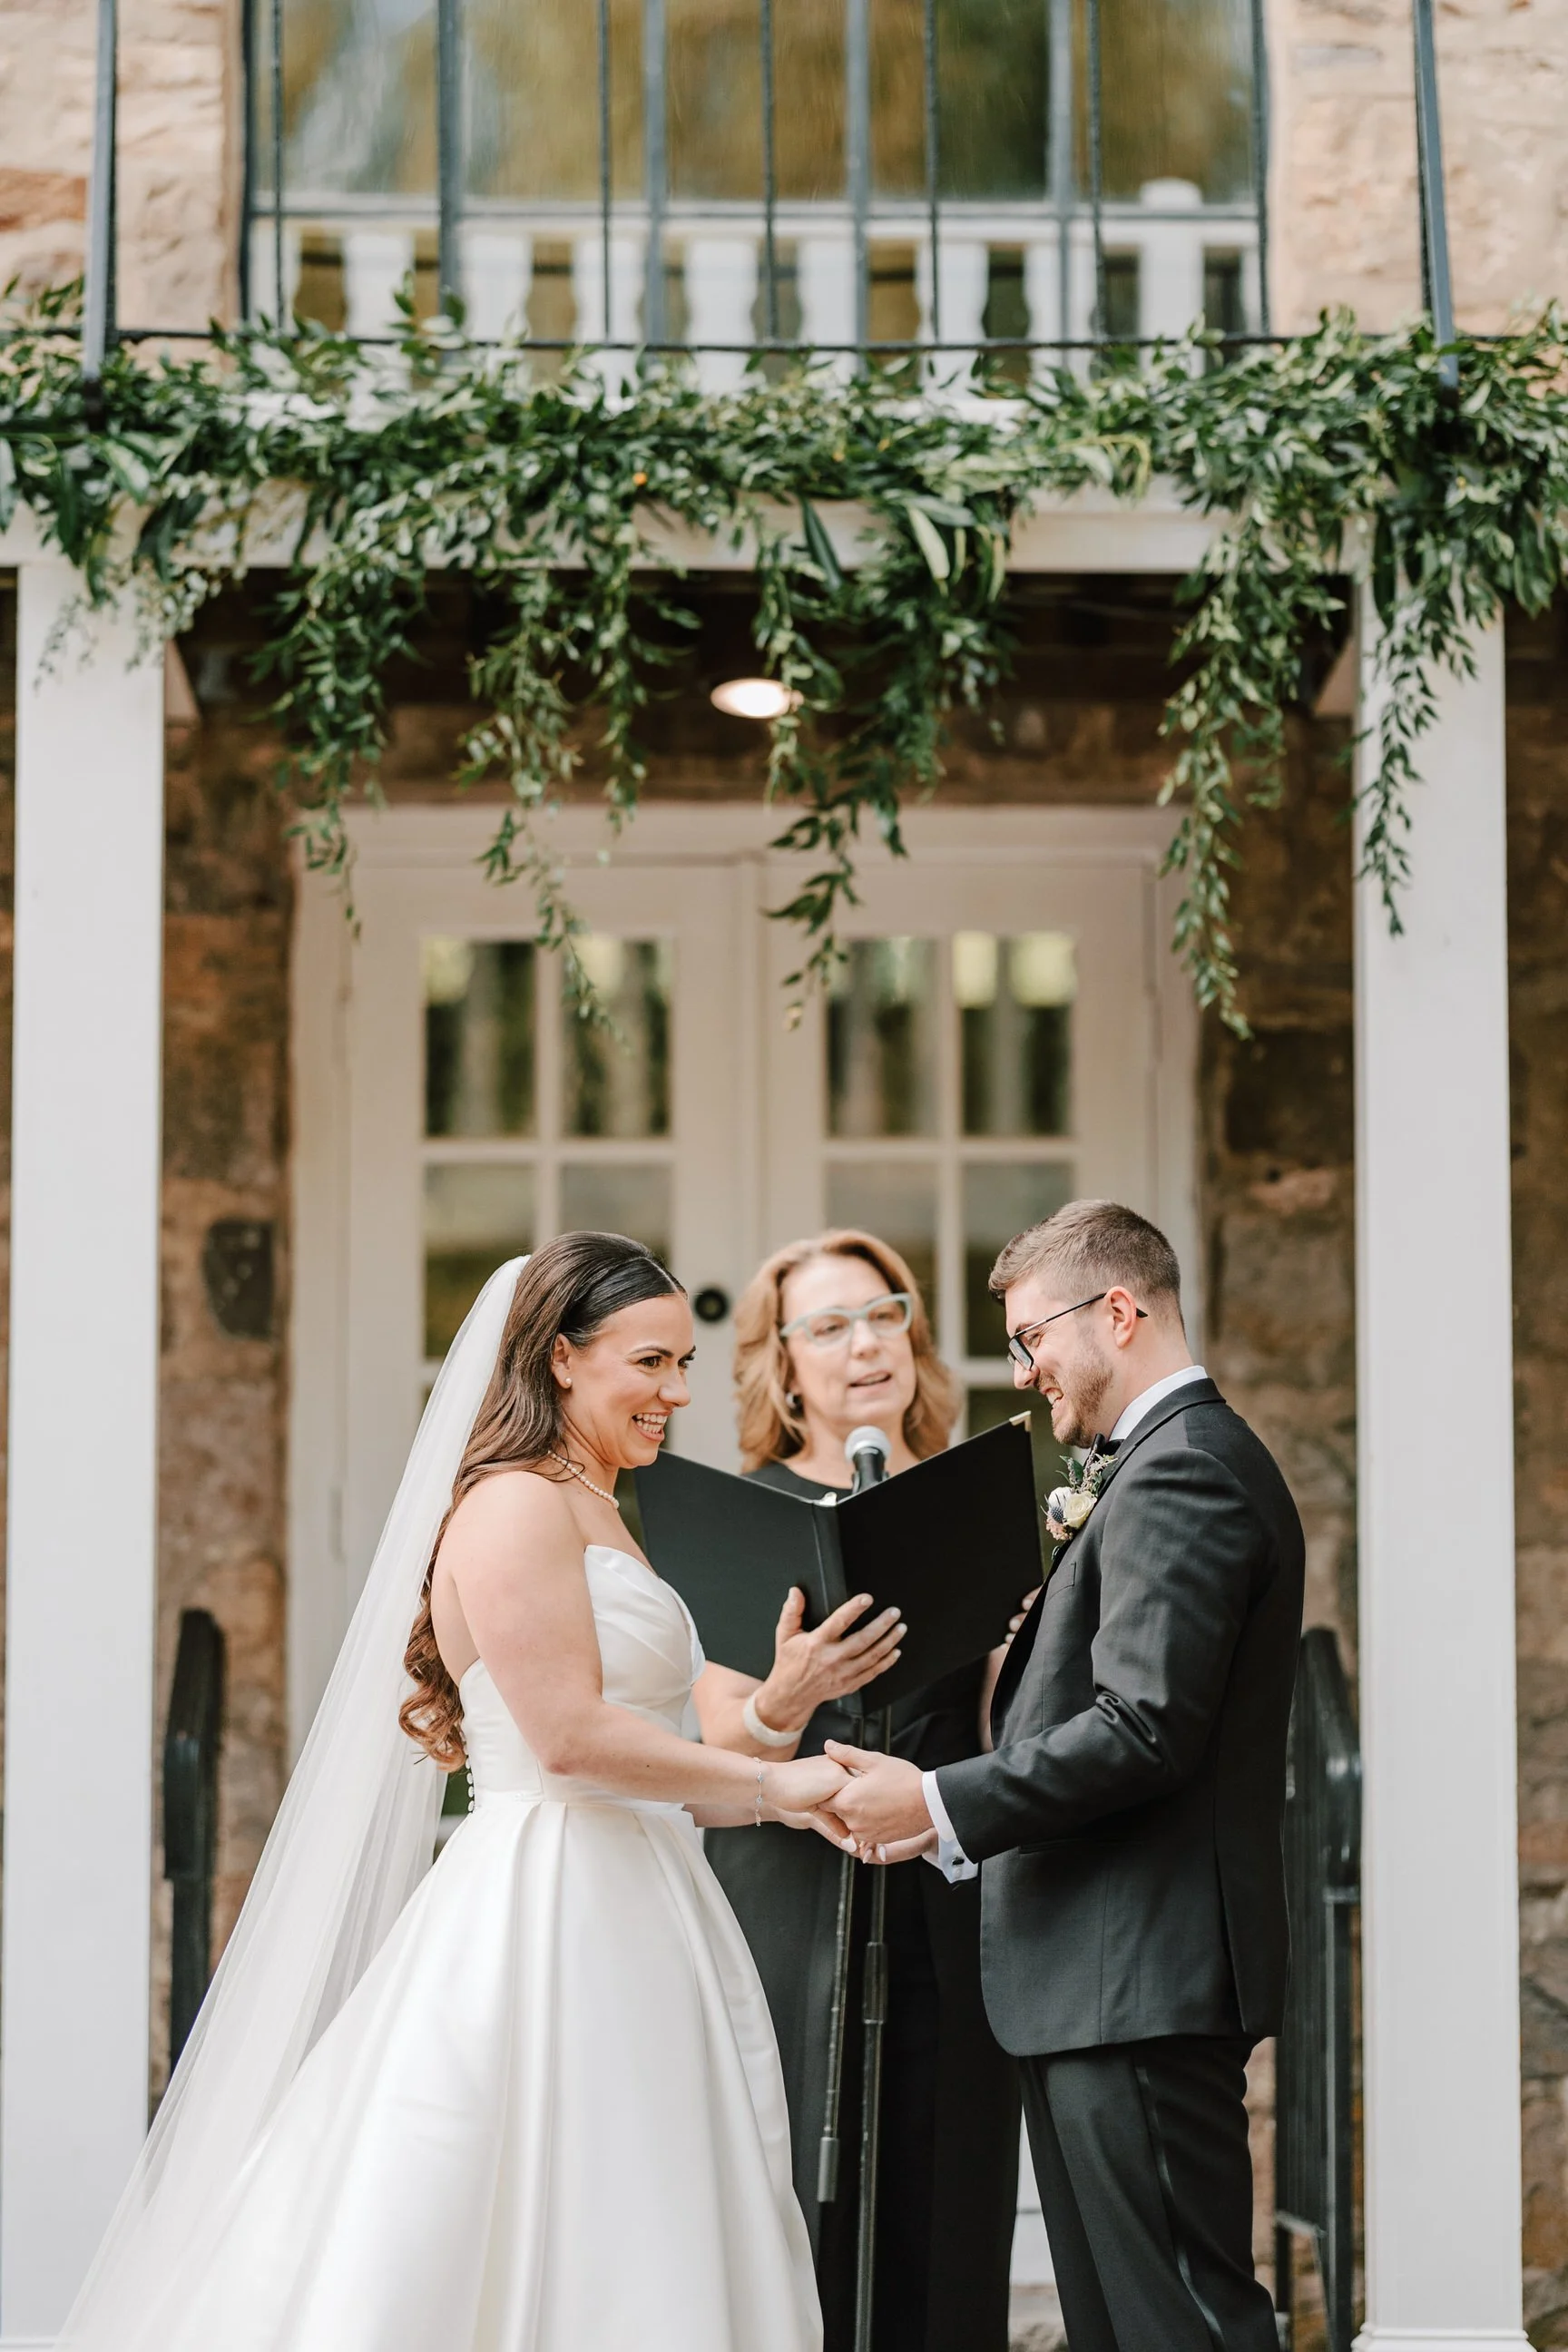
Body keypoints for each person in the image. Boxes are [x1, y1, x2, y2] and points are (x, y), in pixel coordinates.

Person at [62, 1234, 845, 2352]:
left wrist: (795, 1767)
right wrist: (778, 1786)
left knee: (646, 2202)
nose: (676, 1391)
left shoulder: (602, 1505)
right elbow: (570, 1742)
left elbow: (664, 1766)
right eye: (649, 1362)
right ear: (563, 1358)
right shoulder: (513, 1506)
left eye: (683, 1362)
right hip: (550, 1908)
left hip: (647, 1900)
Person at [823, 1199, 1304, 2352]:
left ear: (1120, 1311)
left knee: (1180, 2324)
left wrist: (937, 1803)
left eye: (1034, 1336)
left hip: (1134, 1977)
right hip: (1095, 1982)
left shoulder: (1184, 1471)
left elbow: (1142, 1729)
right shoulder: (1151, 1468)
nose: (1026, 1368)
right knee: (1121, 2331)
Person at [694, 1229, 1021, 2352]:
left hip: (934, 1883)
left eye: (885, 1315)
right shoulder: (737, 1515)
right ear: (783, 1365)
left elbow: (990, 1728)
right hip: (784, 1895)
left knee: (944, 2186)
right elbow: (717, 1743)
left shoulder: (971, 1495)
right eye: (828, 1327)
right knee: (793, 2186)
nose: (864, 1344)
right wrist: (788, 1696)